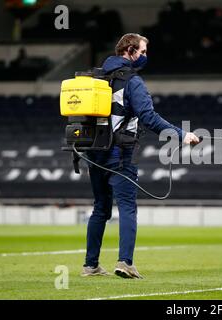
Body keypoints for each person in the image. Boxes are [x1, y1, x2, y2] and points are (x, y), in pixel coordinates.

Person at [81, 33, 199, 279]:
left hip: (94, 151)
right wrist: (181, 135)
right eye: (143, 52)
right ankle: (125, 262)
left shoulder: (98, 77)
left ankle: (90, 266)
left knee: (100, 208)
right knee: (127, 207)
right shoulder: (132, 80)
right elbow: (149, 117)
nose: (145, 57)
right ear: (130, 50)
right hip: (120, 153)